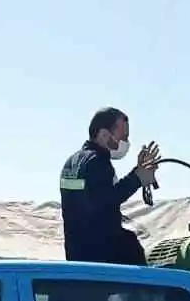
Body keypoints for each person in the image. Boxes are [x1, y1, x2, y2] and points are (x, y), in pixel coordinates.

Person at [59, 107, 161, 266]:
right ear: (104, 134)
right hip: (103, 255)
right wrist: (137, 178)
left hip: (77, 254)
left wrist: (138, 171)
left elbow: (94, 195)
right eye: (123, 137)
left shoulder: (73, 162)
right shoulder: (97, 161)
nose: (125, 143)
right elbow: (106, 199)